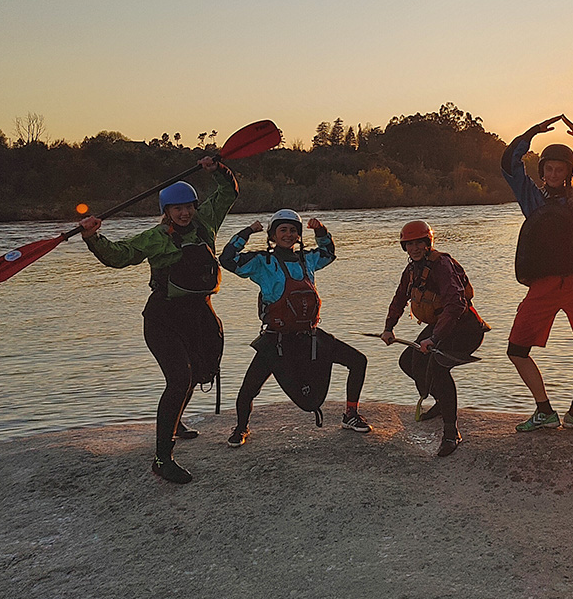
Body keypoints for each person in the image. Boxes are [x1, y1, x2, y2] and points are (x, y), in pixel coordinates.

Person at [79, 156, 236, 484]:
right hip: (163, 317)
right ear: (166, 211)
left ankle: (175, 423)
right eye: (177, 209)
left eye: (188, 207)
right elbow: (119, 256)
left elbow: (228, 193)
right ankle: (162, 459)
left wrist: (218, 170)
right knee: (179, 378)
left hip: (199, 313)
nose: (184, 213)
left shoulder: (205, 222)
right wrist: (93, 238)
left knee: (199, 372)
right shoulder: (155, 237)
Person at [501, 114, 573, 433]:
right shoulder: (531, 197)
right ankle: (544, 411)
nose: (554, 174)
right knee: (516, 350)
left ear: (569, 172)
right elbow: (509, 163)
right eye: (549, 169)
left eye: (560, 169)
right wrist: (532, 133)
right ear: (542, 172)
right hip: (542, 286)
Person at [219, 209, 371, 446]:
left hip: (309, 337)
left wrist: (321, 231)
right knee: (249, 388)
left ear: (299, 235)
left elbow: (329, 253)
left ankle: (350, 414)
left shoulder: (308, 259)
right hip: (276, 340)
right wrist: (247, 231)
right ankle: (240, 428)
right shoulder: (262, 262)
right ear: (272, 235)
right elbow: (227, 259)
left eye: (293, 230)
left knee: (358, 361)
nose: (288, 234)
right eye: (283, 230)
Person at [381, 220, 490, 456]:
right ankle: (441, 401)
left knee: (438, 367)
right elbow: (399, 299)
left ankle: (451, 432)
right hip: (441, 327)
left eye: (419, 243)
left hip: (466, 328)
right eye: (409, 244)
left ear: (428, 243)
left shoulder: (441, 265)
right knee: (407, 361)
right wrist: (388, 328)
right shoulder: (411, 271)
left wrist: (434, 338)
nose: (414, 248)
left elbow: (455, 304)